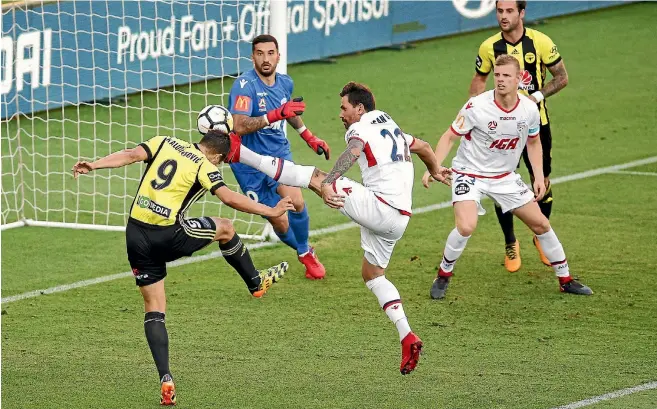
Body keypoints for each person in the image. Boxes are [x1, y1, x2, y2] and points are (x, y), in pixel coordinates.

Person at [225, 82, 451, 375]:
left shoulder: (360, 129)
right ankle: (407, 335)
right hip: (399, 219)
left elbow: (354, 151)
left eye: (344, 108)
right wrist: (434, 169)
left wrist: (330, 181)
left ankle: (238, 152)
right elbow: (423, 146)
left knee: (315, 177)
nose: (341, 115)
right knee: (372, 274)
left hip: (381, 207)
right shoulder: (389, 125)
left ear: (360, 108)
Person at [71, 130, 293, 405]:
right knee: (225, 227)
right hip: (168, 235)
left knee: (154, 307)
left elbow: (129, 155)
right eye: (221, 162)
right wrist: (271, 211)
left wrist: (94, 164)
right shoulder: (204, 165)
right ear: (218, 156)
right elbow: (229, 198)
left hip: (135, 234)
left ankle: (165, 378)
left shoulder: (165, 141)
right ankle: (255, 283)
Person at [423, 55, 591, 300]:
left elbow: (533, 142)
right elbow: (450, 136)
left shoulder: (528, 109)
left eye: (506, 76)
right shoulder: (476, 106)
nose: (500, 80)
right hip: (469, 174)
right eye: (497, 75)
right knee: (466, 226)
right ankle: (444, 274)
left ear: (519, 78)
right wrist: (434, 166)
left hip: (504, 177)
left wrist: (539, 176)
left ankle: (565, 279)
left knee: (541, 224)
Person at [469, 0, 569, 272]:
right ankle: (510, 242)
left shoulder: (540, 42)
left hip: (536, 124)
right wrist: (476, 113)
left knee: (542, 182)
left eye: (509, 11)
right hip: (500, 128)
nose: (503, 16)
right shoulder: (489, 47)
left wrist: (538, 95)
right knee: (500, 183)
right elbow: (479, 81)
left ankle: (540, 236)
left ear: (521, 13)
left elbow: (561, 77)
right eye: (500, 11)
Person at [228, 34, 330, 279]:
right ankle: (301, 247)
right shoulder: (244, 86)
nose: (265, 59)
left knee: (296, 200)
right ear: (252, 57)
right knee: (279, 221)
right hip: (247, 163)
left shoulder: (285, 83)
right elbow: (240, 126)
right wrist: (275, 114)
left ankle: (305, 253)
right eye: (260, 53)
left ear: (278, 56)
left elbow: (290, 112)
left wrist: (309, 137)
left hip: (278, 153)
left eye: (270, 53)